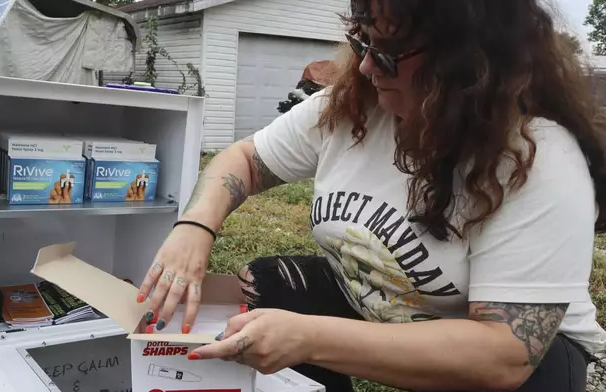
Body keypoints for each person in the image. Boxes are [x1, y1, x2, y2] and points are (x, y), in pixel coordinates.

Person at [136, 1, 606, 391]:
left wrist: (310, 337)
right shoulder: (355, 105)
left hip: (523, 356)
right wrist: (195, 227)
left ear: (468, 62)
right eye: (363, 42)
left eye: (388, 53)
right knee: (267, 284)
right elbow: (244, 160)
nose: (364, 65)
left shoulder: (535, 156)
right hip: (384, 307)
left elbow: (505, 355)